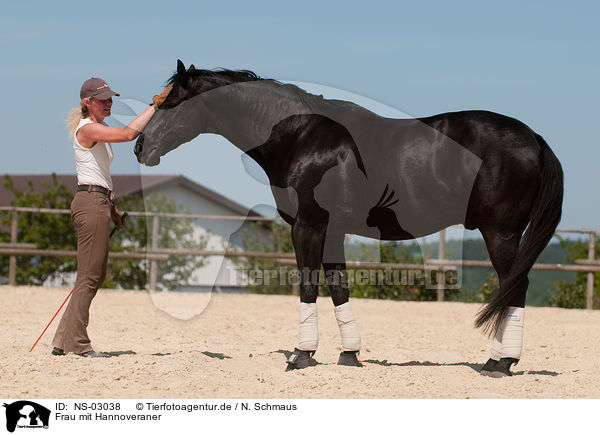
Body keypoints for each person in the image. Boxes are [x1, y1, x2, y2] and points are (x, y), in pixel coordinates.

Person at [51, 77, 172, 357]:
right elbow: (129, 134)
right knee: (90, 276)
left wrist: (112, 208)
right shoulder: (89, 129)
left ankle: (62, 340)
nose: (109, 103)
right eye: (103, 99)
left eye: (110, 98)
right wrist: (155, 106)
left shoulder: (96, 129)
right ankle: (78, 344)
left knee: (93, 274)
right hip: (90, 203)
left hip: (98, 202)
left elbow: (98, 175)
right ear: (87, 102)